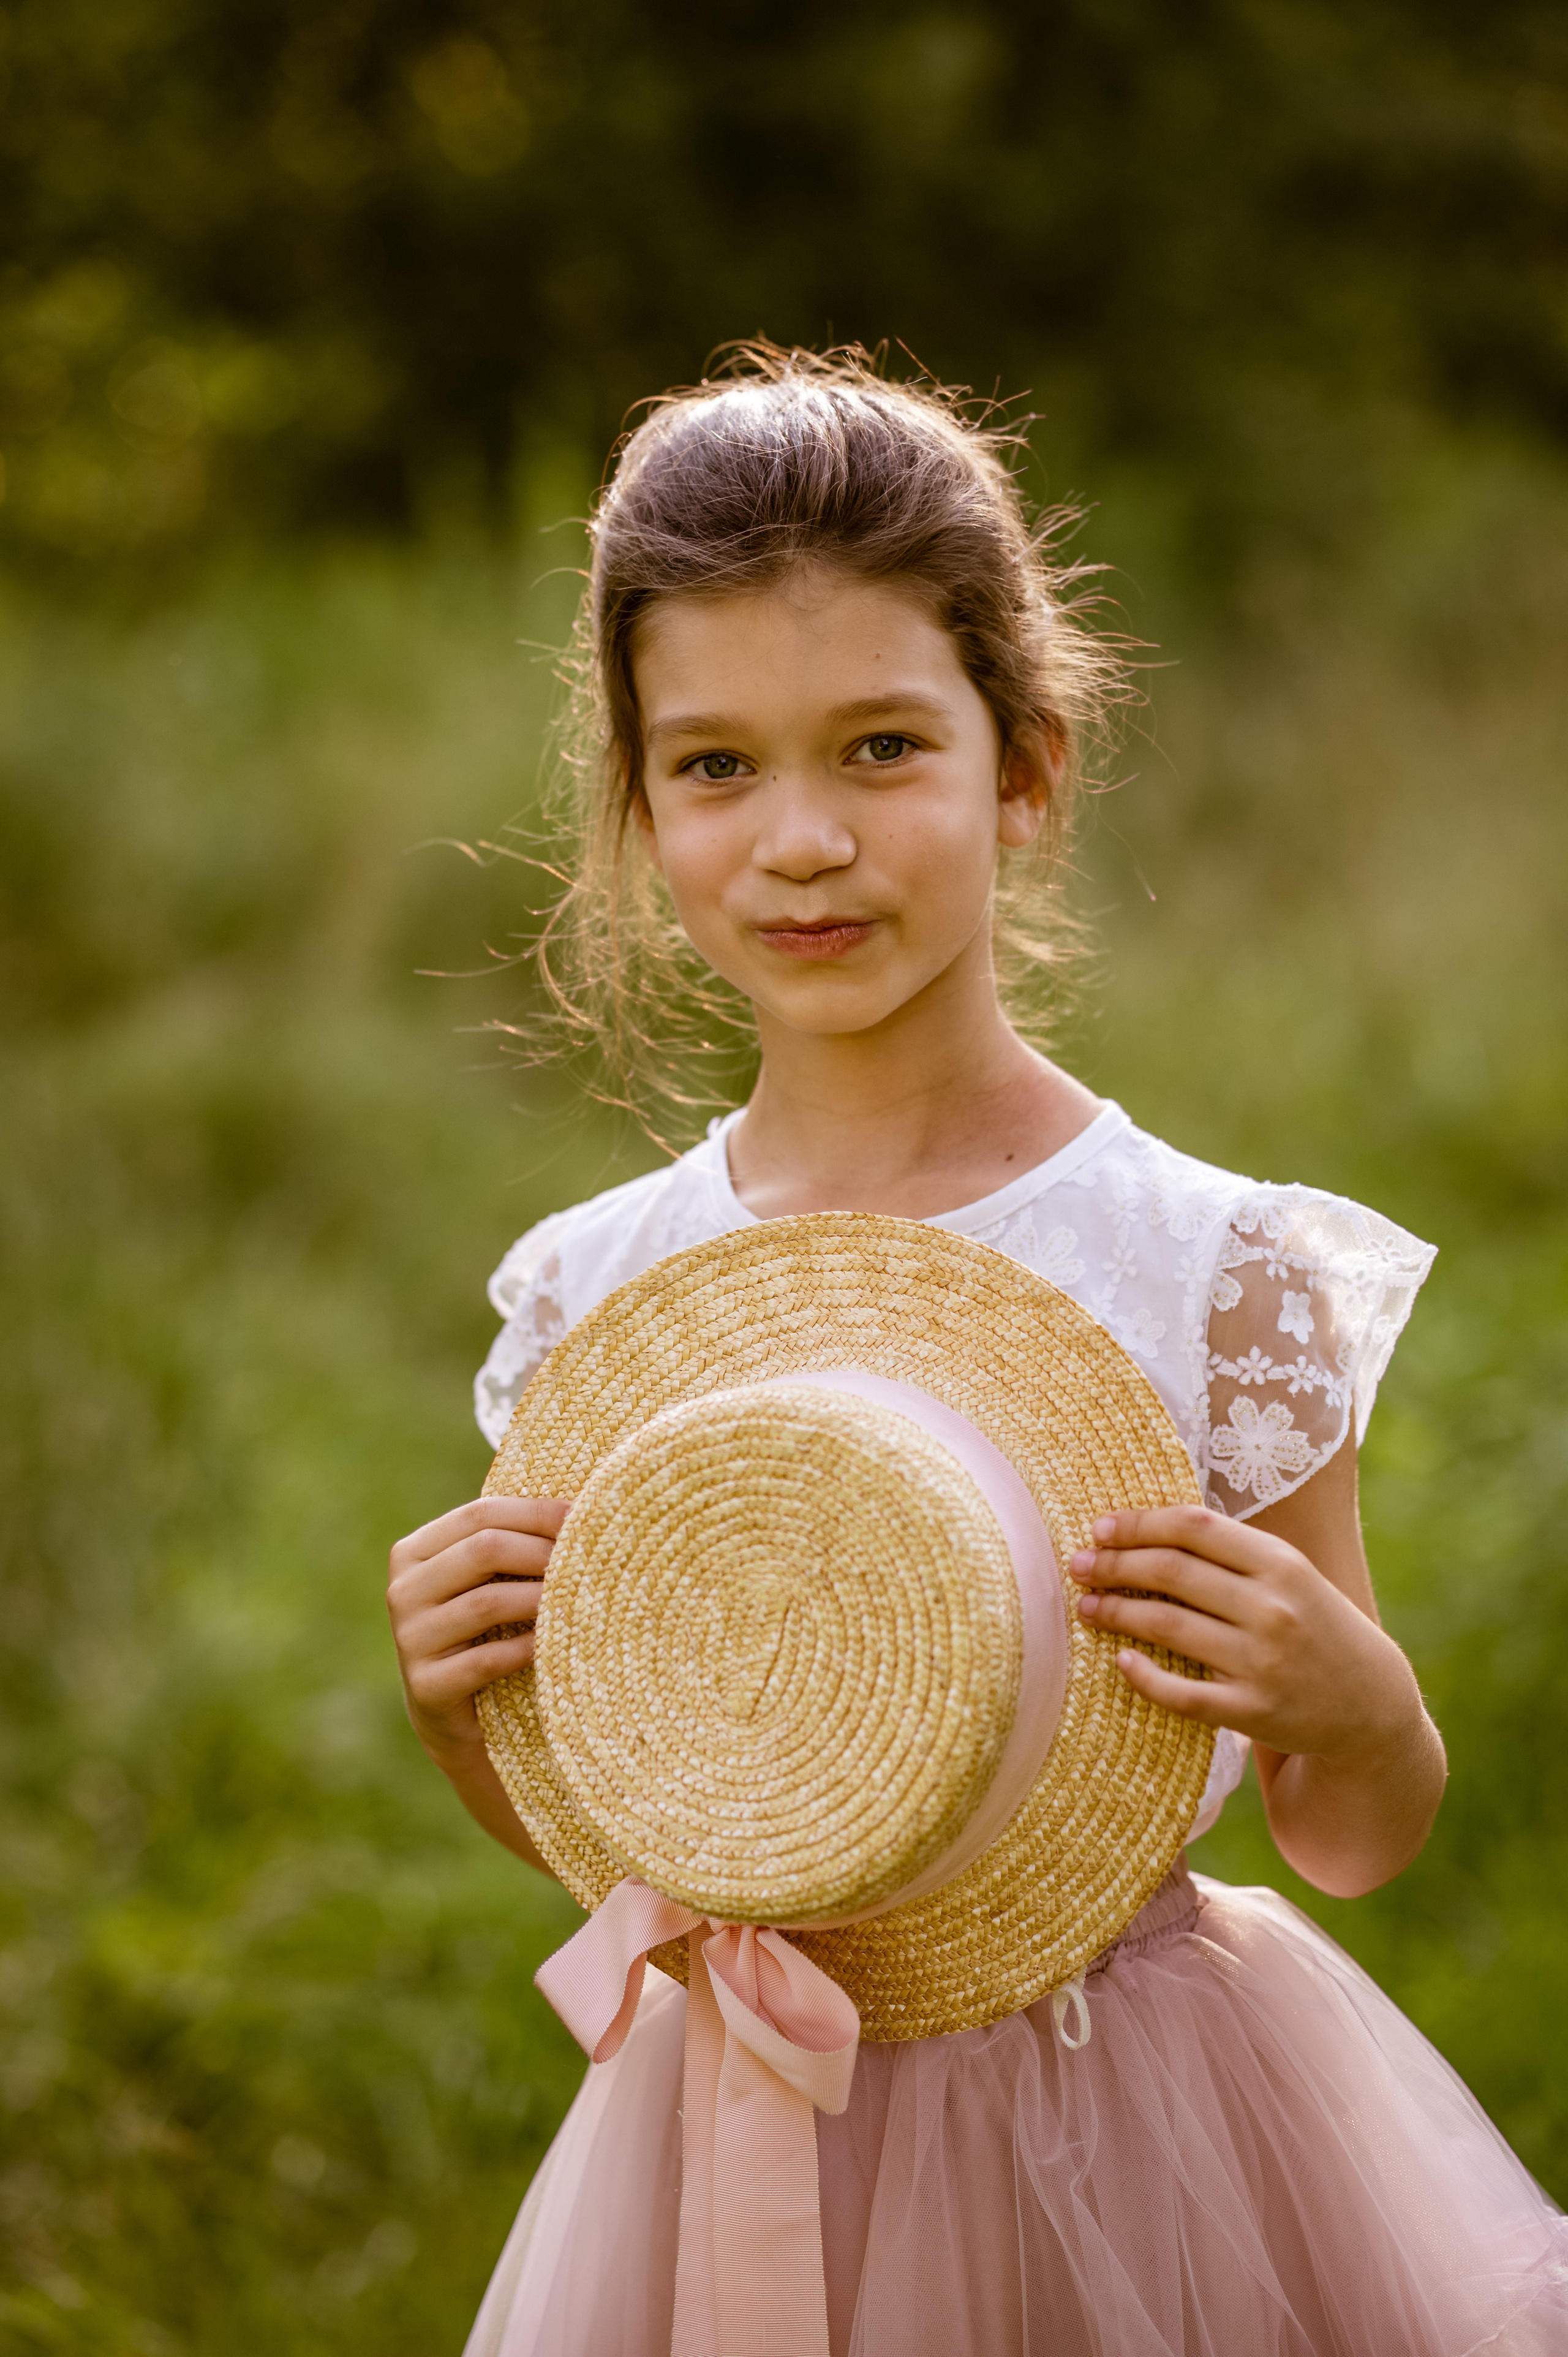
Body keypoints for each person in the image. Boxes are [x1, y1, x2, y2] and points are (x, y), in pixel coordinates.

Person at [386, 347, 1567, 2355]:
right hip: (745, 2114)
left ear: (1023, 766)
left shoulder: (1208, 1269)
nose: (801, 844)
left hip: (1142, 2115)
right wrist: (464, 1706)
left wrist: (1352, 1703)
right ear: (639, 802)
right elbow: (631, 1847)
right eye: (715, 766)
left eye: (878, 749)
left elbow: (1352, 1837)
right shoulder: (604, 1302)